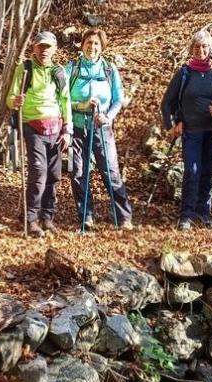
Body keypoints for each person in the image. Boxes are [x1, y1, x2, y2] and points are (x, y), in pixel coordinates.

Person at [6, 31, 72, 238]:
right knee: (38, 172)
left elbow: (65, 101)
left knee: (53, 175)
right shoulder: (24, 68)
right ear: (34, 48)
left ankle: (47, 217)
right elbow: (10, 97)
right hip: (32, 125)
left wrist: (67, 129)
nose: (44, 51)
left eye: (48, 47)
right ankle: (30, 219)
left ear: (54, 49)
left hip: (55, 128)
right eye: (40, 46)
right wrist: (15, 101)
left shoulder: (59, 71)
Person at [66, 27, 133, 231]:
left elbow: (118, 99)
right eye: (88, 42)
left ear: (102, 47)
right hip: (76, 127)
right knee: (77, 171)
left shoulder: (109, 69)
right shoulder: (72, 68)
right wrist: (80, 106)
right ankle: (86, 215)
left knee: (110, 171)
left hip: (102, 128)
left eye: (96, 43)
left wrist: (107, 116)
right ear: (82, 44)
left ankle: (123, 216)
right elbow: (63, 98)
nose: (92, 47)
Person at [161, 29, 212, 230]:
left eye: (204, 46)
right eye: (197, 46)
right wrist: (171, 125)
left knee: (208, 171)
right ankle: (186, 215)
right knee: (191, 170)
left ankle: (203, 211)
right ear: (192, 49)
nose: (201, 49)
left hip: (211, 132)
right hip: (191, 132)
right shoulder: (183, 74)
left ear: (210, 49)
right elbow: (167, 103)